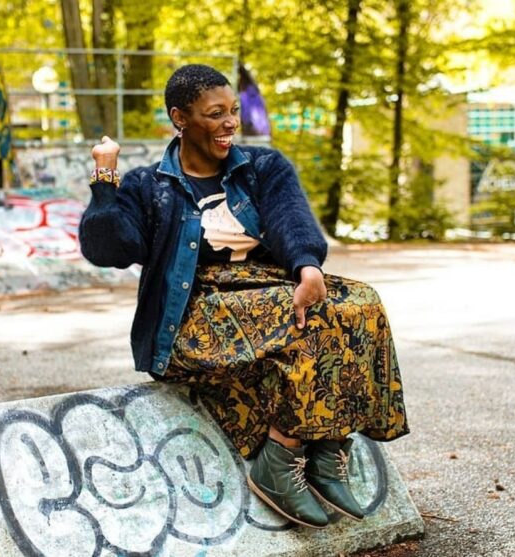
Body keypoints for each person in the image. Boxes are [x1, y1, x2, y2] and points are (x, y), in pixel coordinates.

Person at [78, 64, 409, 529]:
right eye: (215, 114)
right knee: (307, 323)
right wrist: (104, 177)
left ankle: (328, 448)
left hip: (263, 291)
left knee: (360, 303)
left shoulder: (263, 167)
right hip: (193, 314)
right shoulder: (149, 186)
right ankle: (281, 457)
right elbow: (107, 248)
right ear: (181, 118)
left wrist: (307, 266)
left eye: (233, 111)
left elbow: (291, 220)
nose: (231, 122)